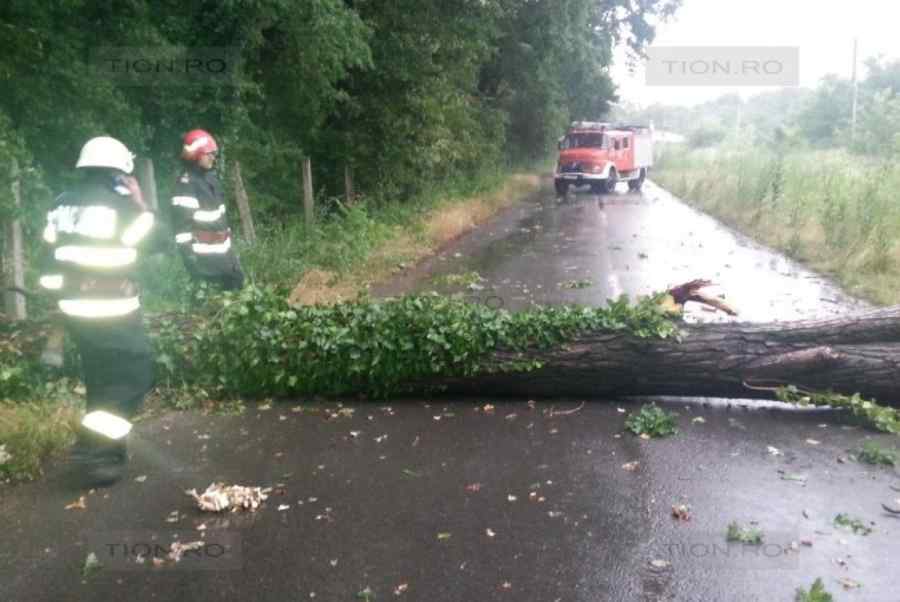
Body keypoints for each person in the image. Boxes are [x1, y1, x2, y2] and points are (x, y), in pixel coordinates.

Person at [39, 136, 164, 486]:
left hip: (72, 311)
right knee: (134, 375)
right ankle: (92, 450)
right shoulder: (120, 205)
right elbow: (157, 241)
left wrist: (58, 302)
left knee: (102, 378)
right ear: (120, 173)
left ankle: (107, 452)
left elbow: (47, 259)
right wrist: (142, 204)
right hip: (112, 309)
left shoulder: (61, 205)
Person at [170, 129, 244, 290]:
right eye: (208, 153)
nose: (213, 157)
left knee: (237, 291)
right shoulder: (186, 185)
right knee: (208, 310)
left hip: (225, 258)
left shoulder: (211, 179)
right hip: (204, 263)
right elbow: (182, 230)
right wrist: (191, 262)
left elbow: (222, 220)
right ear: (196, 154)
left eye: (214, 153)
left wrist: (232, 256)